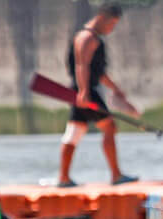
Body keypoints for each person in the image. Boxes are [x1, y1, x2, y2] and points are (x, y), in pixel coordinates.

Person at [57, 3, 138, 187]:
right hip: (86, 91)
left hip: (80, 90)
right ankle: (116, 175)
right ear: (102, 16)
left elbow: (98, 72)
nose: (111, 29)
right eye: (112, 24)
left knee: (73, 133)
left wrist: (115, 89)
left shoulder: (90, 38)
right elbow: (81, 66)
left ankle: (63, 178)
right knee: (109, 127)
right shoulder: (87, 38)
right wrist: (84, 92)